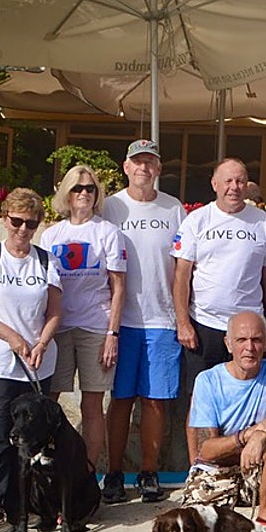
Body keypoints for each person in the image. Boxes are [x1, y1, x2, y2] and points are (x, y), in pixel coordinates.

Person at [0, 188, 63, 532]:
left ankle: (24, 505)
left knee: (33, 440)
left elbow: (55, 311)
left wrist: (42, 342)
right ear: (4, 219)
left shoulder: (47, 261)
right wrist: (11, 337)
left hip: (36, 364)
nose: (23, 229)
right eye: (17, 221)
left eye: (31, 224)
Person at [102, 139, 186, 504]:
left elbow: (183, 265)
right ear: (126, 167)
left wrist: (182, 316)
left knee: (155, 401)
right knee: (121, 399)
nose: (143, 168)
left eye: (150, 162)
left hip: (162, 320)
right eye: (137, 162)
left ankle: (148, 473)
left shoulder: (174, 208)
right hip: (120, 321)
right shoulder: (110, 206)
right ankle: (114, 473)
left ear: (158, 168)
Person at [173, 157, 266, 420]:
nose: (234, 187)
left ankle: (241, 446)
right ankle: (200, 449)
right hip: (204, 325)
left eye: (240, 181)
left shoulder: (261, 221)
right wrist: (183, 323)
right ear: (215, 184)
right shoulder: (197, 220)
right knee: (199, 400)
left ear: (247, 185)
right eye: (228, 181)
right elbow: (181, 275)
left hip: (248, 329)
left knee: (247, 395)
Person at [40, 165, 128, 493]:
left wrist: (112, 334)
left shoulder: (108, 233)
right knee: (49, 401)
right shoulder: (51, 235)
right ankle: (46, 471)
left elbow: (118, 287)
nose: (84, 194)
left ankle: (87, 477)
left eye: (90, 188)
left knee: (92, 405)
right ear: (66, 193)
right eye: (77, 188)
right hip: (59, 329)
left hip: (95, 327)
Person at [186, 311, 266, 528]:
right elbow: (205, 450)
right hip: (217, 470)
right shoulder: (208, 381)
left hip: (258, 468)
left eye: (256, 340)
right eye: (241, 340)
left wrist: (260, 435)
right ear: (228, 344)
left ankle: (263, 526)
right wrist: (246, 436)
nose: (249, 347)